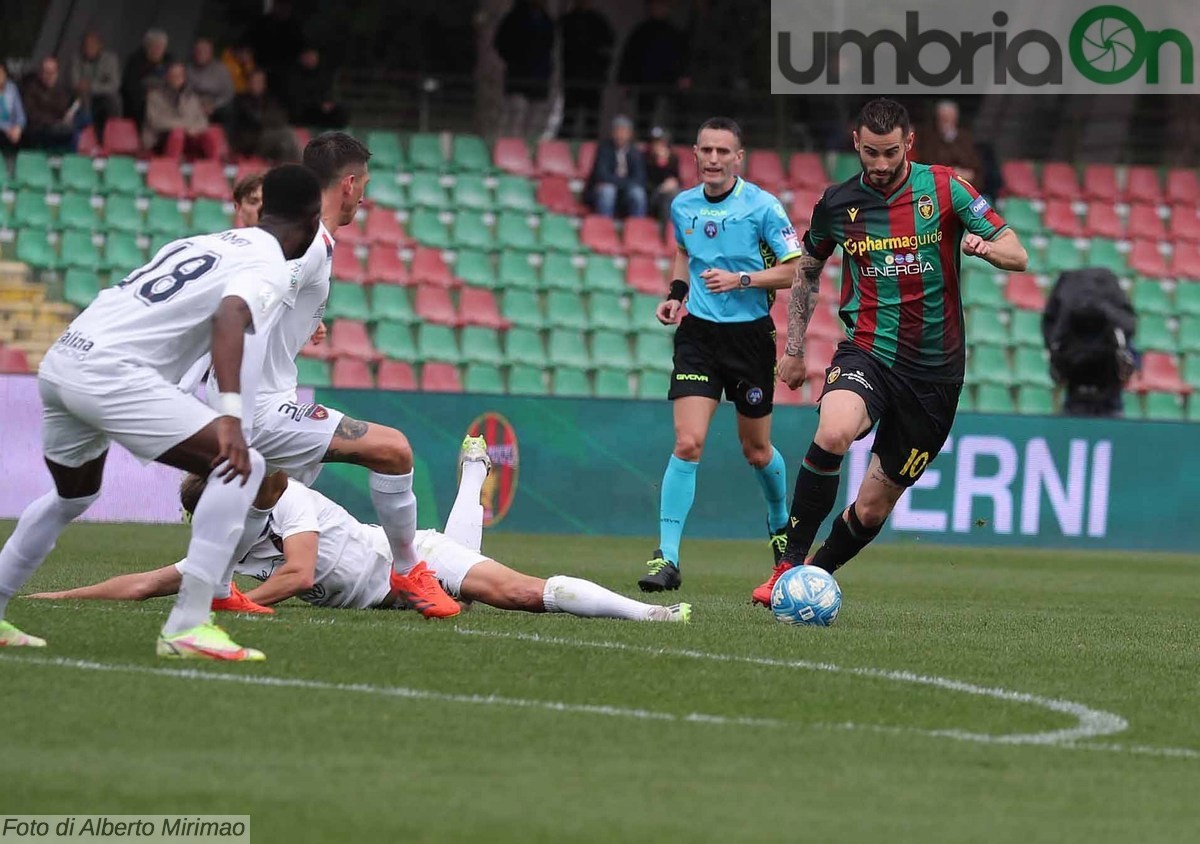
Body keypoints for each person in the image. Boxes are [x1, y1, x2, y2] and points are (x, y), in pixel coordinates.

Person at [0, 164, 322, 661]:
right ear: (309, 218)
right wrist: (232, 418)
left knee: (73, 494)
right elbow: (231, 318)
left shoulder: (203, 242)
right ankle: (187, 627)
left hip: (65, 357)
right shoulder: (271, 264)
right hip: (112, 373)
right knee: (245, 466)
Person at [755, 98, 1028, 602]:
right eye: (870, 153)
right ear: (856, 145)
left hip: (936, 376)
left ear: (909, 145)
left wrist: (986, 248)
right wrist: (793, 348)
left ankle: (814, 576)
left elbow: (1018, 251)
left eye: (889, 154)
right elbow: (808, 271)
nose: (879, 165)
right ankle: (786, 567)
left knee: (873, 508)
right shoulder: (837, 203)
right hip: (869, 353)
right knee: (834, 431)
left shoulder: (945, 188)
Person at [185, 131, 458, 619]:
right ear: (348, 184)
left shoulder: (295, 238)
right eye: (365, 185)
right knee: (393, 451)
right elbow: (252, 302)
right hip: (263, 405)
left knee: (267, 489)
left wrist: (304, 321)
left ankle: (220, 588)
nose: (365, 196)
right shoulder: (313, 242)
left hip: (243, 402)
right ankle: (409, 569)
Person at [30, 437, 693, 624]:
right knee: (468, 587)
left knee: (514, 594)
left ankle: (654, 617)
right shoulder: (227, 533)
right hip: (386, 597)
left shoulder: (285, 499)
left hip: (404, 560)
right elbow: (151, 581)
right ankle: (470, 476)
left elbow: (295, 572)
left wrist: (235, 606)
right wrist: (56, 599)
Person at [637, 116, 801, 592]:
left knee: (756, 451)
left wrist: (741, 279)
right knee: (688, 442)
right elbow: (684, 252)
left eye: (722, 152)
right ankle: (666, 558)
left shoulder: (763, 208)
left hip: (749, 339)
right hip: (699, 337)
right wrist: (676, 293)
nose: (713, 159)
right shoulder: (682, 205)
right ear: (695, 153)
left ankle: (779, 526)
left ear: (738, 157)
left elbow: (796, 272)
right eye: (706, 150)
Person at [1042, 267, 1137, 417]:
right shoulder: (1115, 309)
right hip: (1109, 397)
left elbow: (1050, 330)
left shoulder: (1065, 310)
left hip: (1075, 394)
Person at [616, 0, 689, 135]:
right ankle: (644, 138)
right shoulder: (640, 31)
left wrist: (682, 76)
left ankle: (663, 143)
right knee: (644, 117)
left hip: (667, 85)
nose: (658, 9)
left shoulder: (673, 33)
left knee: (664, 118)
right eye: (655, 6)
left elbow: (681, 58)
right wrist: (625, 81)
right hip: (644, 83)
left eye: (662, 6)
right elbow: (629, 56)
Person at [493, 0, 555, 139]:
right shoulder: (514, 18)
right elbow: (500, 43)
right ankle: (511, 148)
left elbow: (549, 47)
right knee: (516, 115)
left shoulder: (547, 21)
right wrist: (515, 59)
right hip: (518, 77)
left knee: (535, 120)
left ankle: (529, 150)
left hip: (540, 78)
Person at [558, 0, 614, 139]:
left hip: (593, 77)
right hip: (573, 75)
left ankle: (591, 143)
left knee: (592, 116)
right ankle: (563, 142)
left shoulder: (600, 22)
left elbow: (609, 44)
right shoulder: (568, 20)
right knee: (569, 114)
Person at [142, 62, 215, 157]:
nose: (176, 78)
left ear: (184, 77)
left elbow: (203, 121)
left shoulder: (192, 97)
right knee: (178, 134)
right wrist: (184, 127)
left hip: (189, 136)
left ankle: (212, 166)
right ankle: (172, 166)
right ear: (167, 76)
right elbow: (156, 121)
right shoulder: (154, 96)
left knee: (211, 134)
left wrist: (193, 130)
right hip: (160, 138)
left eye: (179, 75)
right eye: (173, 75)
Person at [228, 69, 299, 161]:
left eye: (260, 81)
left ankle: (287, 171)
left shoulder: (269, 99)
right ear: (248, 83)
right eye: (254, 81)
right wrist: (271, 120)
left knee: (285, 146)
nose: (258, 84)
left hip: (268, 138)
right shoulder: (241, 100)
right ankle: (304, 166)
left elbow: (282, 118)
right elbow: (256, 119)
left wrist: (269, 119)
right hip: (251, 142)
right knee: (287, 133)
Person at [587, 115, 647, 218]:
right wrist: (624, 182)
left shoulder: (635, 152)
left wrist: (621, 184)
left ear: (630, 134)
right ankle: (605, 227)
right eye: (618, 131)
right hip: (605, 191)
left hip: (626, 192)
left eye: (624, 132)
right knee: (608, 191)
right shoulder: (604, 149)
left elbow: (640, 178)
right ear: (613, 133)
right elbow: (602, 175)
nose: (620, 135)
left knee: (638, 193)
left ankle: (637, 228)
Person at [20, 57, 81, 152]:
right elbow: (32, 114)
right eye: (46, 72)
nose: (50, 76)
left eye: (53, 72)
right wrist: (54, 120)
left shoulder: (60, 89)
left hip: (58, 126)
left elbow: (62, 109)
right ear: (40, 73)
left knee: (79, 126)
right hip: (38, 128)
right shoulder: (31, 89)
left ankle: (72, 160)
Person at [68, 31, 122, 138]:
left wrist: (92, 86)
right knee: (81, 95)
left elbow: (114, 85)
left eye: (92, 45)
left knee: (113, 100)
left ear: (100, 45)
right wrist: (95, 86)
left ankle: (113, 134)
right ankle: (86, 131)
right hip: (81, 98)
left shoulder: (110, 60)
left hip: (102, 98)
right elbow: (75, 83)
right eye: (86, 45)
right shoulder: (76, 59)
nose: (89, 48)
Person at [916, 100, 982, 185]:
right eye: (942, 118)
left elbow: (975, 168)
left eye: (948, 118)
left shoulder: (966, 138)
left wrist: (964, 174)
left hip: (965, 185)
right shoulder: (929, 139)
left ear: (955, 118)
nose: (945, 122)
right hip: (939, 184)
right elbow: (928, 165)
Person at [284, 47, 348, 129]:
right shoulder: (294, 75)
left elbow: (327, 92)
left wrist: (328, 102)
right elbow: (296, 97)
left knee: (341, 111)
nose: (313, 59)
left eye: (314, 56)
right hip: (303, 109)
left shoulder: (322, 73)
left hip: (319, 108)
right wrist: (318, 104)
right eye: (309, 56)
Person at [121, 28, 172, 127]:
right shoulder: (135, 61)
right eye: (154, 46)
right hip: (141, 102)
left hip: (164, 99)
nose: (157, 50)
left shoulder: (169, 60)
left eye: (161, 47)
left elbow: (176, 82)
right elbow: (130, 86)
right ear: (147, 47)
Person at [186, 38, 235, 123]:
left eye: (205, 51)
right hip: (194, 103)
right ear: (194, 52)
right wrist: (198, 104)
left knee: (229, 110)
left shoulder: (221, 69)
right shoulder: (188, 69)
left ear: (211, 53)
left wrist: (214, 105)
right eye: (198, 51)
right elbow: (186, 91)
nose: (201, 54)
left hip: (216, 104)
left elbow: (228, 93)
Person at [645, 126, 680, 222]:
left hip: (669, 193)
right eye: (655, 142)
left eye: (661, 142)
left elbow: (677, 180)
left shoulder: (672, 158)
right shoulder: (645, 158)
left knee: (675, 194)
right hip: (651, 195)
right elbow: (646, 182)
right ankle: (668, 227)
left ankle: (674, 228)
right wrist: (659, 165)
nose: (659, 145)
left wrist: (666, 163)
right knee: (668, 194)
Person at [0, 64, 25, 162]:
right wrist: (6, 129)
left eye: (1, 73)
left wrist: (18, 127)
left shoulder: (12, 88)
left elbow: (20, 114)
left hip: (12, 130)